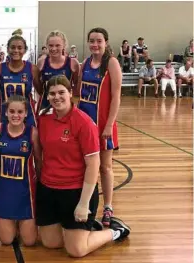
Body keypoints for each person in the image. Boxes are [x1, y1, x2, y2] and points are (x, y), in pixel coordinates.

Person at [36, 75, 130, 258]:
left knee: (76, 250)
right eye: (52, 93)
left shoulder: (83, 122)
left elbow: (94, 165)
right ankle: (82, 228)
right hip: (49, 188)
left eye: (61, 92)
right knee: (50, 243)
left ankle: (115, 232)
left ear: (71, 93)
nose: (57, 97)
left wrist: (83, 203)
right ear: (47, 96)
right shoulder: (44, 119)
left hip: (75, 191)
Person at [78, 27, 122, 227]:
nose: (95, 44)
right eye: (92, 41)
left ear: (106, 42)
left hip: (103, 124)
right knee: (85, 167)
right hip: (85, 125)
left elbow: (116, 97)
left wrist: (109, 125)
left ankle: (108, 207)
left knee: (105, 167)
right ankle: (86, 203)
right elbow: (78, 95)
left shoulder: (111, 63)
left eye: (99, 41)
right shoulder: (84, 63)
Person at [0, 95, 41, 246]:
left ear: (25, 113)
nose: (15, 115)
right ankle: (14, 224)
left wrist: (40, 183)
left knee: (29, 242)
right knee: (6, 240)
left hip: (26, 193)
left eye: (19, 112)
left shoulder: (32, 133)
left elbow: (38, 160)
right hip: (4, 192)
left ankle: (21, 224)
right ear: (6, 112)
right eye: (11, 111)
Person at [0, 33, 41, 127]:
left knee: (30, 140)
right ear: (7, 49)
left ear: (25, 50)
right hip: (6, 114)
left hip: (27, 114)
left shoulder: (32, 69)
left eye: (20, 48)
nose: (16, 50)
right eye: (13, 47)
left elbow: (40, 91)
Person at [37, 30, 81, 111]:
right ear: (46, 46)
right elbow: (39, 89)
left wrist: (73, 104)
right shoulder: (41, 62)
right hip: (46, 106)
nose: (53, 49)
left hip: (65, 106)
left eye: (57, 45)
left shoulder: (73, 63)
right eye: (51, 45)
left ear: (64, 45)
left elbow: (76, 88)